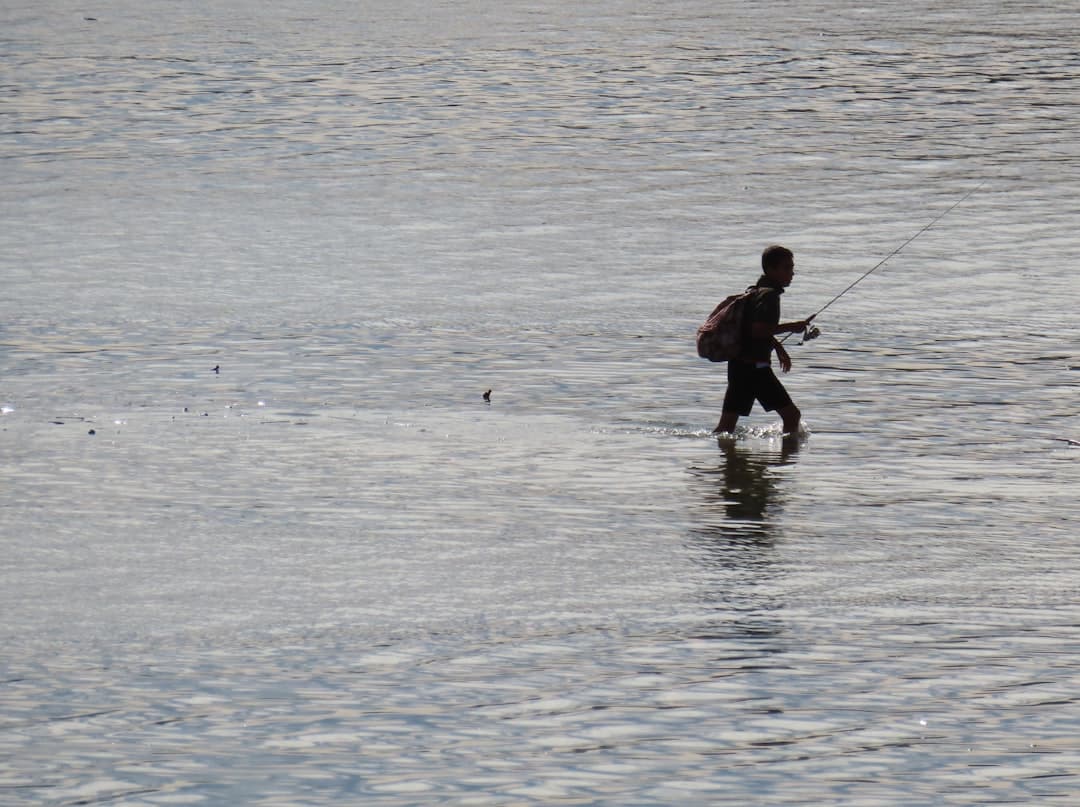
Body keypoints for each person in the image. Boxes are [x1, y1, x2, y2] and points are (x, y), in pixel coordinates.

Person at [713, 245, 813, 437]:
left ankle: (724, 462)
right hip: (755, 370)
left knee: (726, 427)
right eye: (786, 268)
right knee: (792, 416)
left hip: (739, 366)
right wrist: (792, 326)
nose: (792, 273)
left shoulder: (755, 290)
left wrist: (778, 347)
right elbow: (758, 330)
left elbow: (754, 330)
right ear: (771, 269)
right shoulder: (769, 296)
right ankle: (785, 462)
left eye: (792, 268)